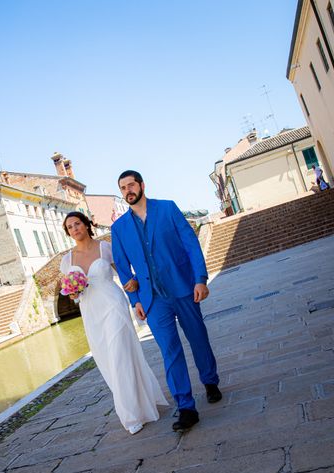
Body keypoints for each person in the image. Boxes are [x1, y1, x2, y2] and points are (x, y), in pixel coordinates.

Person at [112, 170, 221, 432]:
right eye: (123, 187)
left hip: (183, 287)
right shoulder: (119, 228)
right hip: (153, 299)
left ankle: (210, 380)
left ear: (142, 185)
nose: (128, 190)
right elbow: (124, 269)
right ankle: (185, 407)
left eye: (131, 185)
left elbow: (191, 244)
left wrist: (200, 279)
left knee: (198, 339)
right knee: (170, 352)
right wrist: (134, 299)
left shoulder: (167, 209)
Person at [60, 211, 168, 435]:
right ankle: (137, 403)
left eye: (77, 224)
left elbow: (127, 276)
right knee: (107, 361)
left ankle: (131, 416)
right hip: (90, 313)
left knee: (120, 355)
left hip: (113, 306)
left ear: (87, 224)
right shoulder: (66, 261)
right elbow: (72, 296)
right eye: (69, 227)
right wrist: (74, 291)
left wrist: (138, 293)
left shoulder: (105, 248)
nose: (74, 229)